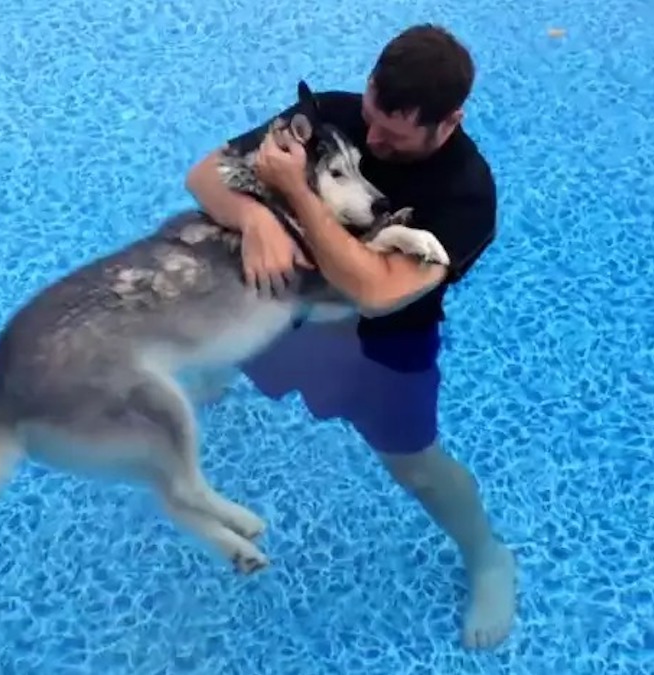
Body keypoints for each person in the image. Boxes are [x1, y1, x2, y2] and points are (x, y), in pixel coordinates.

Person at [184, 24, 517, 649]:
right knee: (222, 339)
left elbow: (373, 289)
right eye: (373, 118)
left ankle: (487, 555)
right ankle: (212, 375)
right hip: (288, 306)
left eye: (397, 136)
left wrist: (290, 193)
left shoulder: (466, 195)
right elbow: (204, 176)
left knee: (415, 466)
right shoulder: (333, 116)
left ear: (448, 123)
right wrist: (256, 219)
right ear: (367, 88)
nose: (376, 142)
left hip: (380, 342)